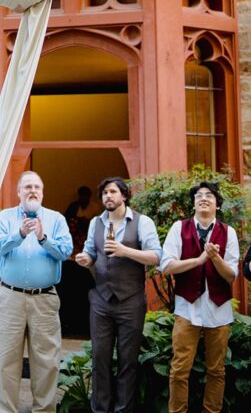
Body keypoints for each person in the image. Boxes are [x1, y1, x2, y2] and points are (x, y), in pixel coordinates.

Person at [0, 170, 73, 413]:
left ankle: (44, 410)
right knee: (6, 361)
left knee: (46, 362)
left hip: (44, 299)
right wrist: (20, 234)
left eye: (37, 186)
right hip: (9, 297)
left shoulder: (56, 219)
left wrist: (43, 237)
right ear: (19, 192)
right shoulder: (5, 217)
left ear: (42, 192)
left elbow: (65, 251)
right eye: (27, 187)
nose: (32, 191)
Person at [76, 176, 161, 413]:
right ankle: (100, 410)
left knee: (128, 362)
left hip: (131, 301)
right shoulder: (96, 222)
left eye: (112, 192)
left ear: (123, 196)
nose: (107, 196)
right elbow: (90, 252)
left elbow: (156, 256)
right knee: (99, 360)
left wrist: (125, 250)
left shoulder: (142, 223)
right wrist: (86, 259)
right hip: (101, 300)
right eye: (104, 193)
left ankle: (123, 410)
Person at [161, 180, 239, 413]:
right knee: (179, 369)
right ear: (193, 204)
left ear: (217, 205)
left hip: (219, 309)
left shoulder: (229, 232)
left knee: (216, 370)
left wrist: (215, 258)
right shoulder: (179, 228)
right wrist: (198, 260)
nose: (203, 198)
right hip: (187, 308)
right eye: (199, 196)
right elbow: (166, 266)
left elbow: (232, 275)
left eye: (209, 196)